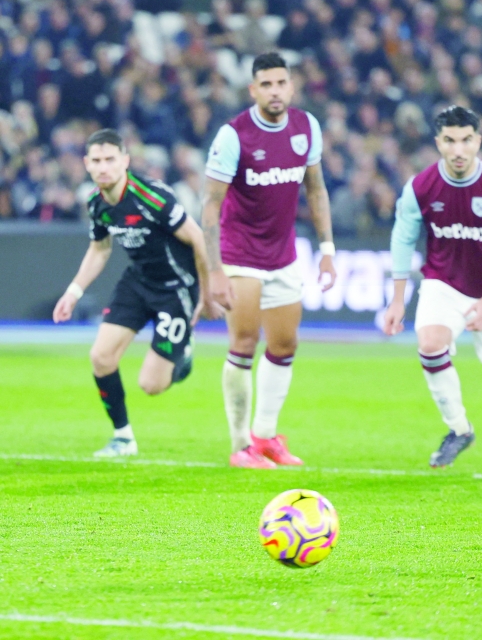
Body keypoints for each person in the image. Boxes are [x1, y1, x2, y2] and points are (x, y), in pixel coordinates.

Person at [383, 106, 482, 475]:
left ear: (478, 142)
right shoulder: (420, 187)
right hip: (445, 283)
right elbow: (402, 239)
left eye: (466, 140)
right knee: (430, 344)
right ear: (438, 143)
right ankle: (459, 429)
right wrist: (397, 300)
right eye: (450, 141)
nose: (458, 150)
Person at [201, 52, 336, 469]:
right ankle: (240, 445)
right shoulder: (233, 135)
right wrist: (215, 270)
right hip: (240, 254)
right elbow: (210, 205)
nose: (275, 91)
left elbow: (316, 190)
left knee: (284, 345)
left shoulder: (306, 127)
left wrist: (328, 250)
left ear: (291, 87)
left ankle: (264, 436)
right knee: (243, 343)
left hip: (284, 255)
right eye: (266, 84)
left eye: (281, 83)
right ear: (253, 90)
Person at [53, 129, 216, 457]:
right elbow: (100, 249)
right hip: (138, 281)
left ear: (125, 161)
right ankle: (123, 438)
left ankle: (182, 354)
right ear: (86, 164)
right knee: (100, 357)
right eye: (97, 160)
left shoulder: (153, 197)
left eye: (110, 159)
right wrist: (73, 291)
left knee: (151, 385)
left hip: (176, 288)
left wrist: (207, 292)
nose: (103, 167)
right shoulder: (96, 203)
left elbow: (198, 238)